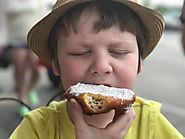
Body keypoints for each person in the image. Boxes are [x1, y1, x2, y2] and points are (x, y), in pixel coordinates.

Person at [10, 0, 184, 138]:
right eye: (80, 53)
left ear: (140, 62)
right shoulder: (36, 129)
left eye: (119, 52)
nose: (101, 67)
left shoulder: (152, 124)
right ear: (55, 65)